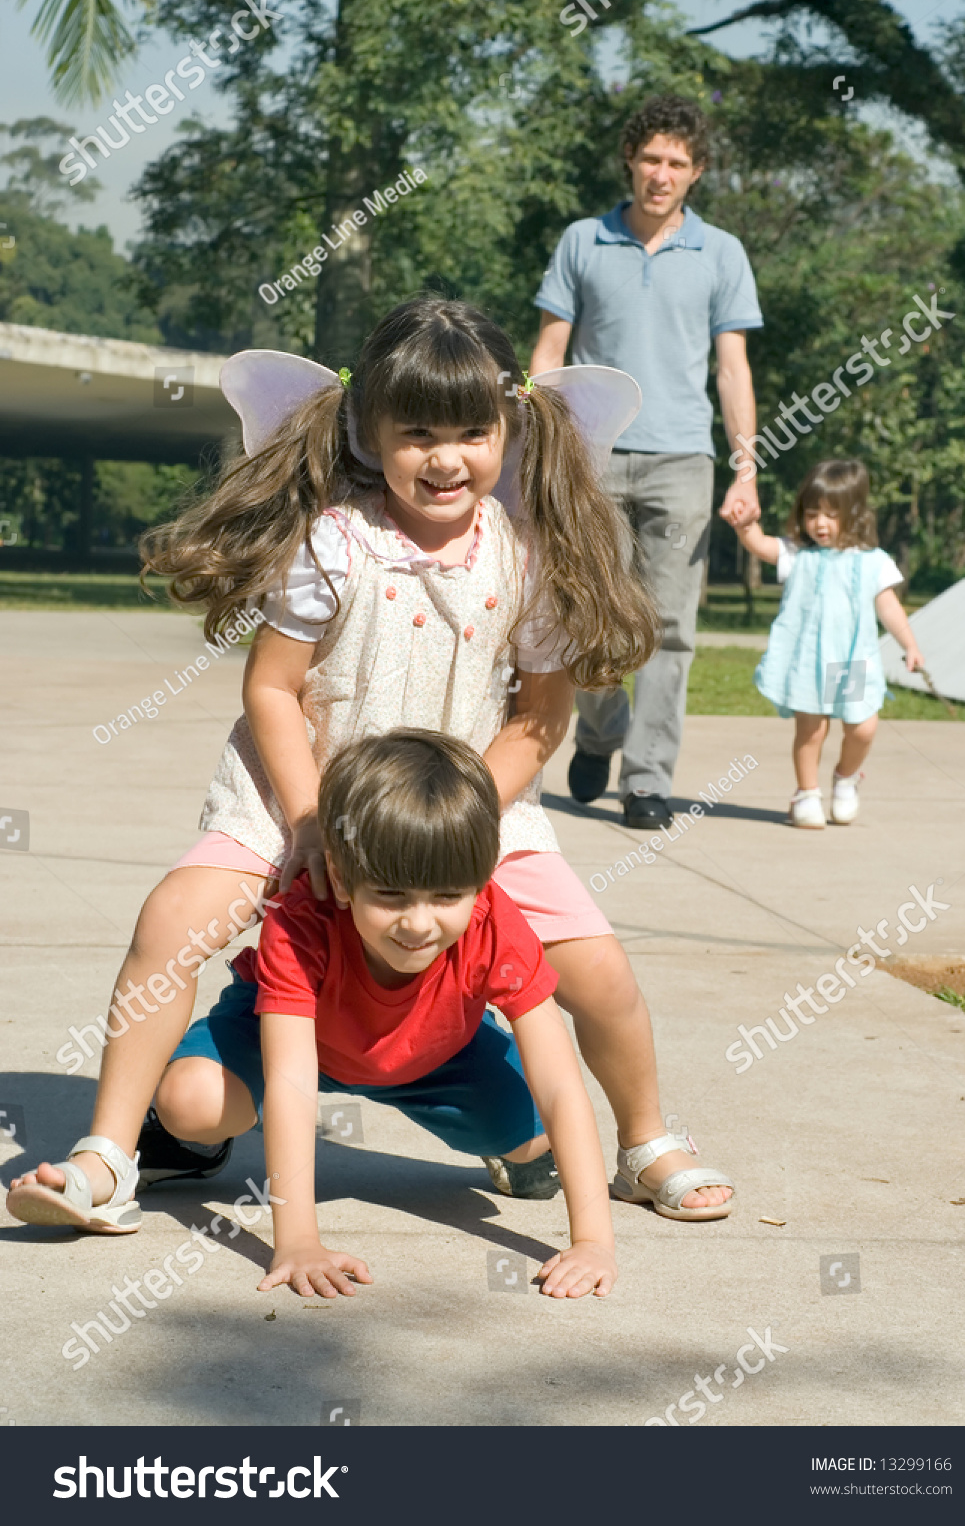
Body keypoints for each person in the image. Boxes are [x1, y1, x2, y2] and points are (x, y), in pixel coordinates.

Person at [8, 297, 733, 1235]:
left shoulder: (528, 556)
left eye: (472, 432)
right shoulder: (331, 540)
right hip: (297, 799)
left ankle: (642, 1143)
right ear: (367, 429)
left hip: (469, 809)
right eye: (417, 432)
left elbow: (538, 716)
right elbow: (272, 691)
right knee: (170, 920)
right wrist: (311, 818)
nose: (446, 457)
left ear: (508, 429)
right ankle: (108, 1156)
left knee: (599, 969)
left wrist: (466, 819)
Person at [160, 730, 617, 1300]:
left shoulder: (497, 923)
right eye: (392, 896)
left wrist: (593, 1240)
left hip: (437, 1052)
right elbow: (292, 1082)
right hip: (296, 1045)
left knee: (536, 1133)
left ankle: (513, 1152)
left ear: (481, 886)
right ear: (344, 881)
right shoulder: (302, 922)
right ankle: (188, 1145)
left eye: (447, 896)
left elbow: (560, 1083)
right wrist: (298, 1239)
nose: (418, 923)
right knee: (192, 1101)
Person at [530, 93, 765, 830]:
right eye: (650, 159)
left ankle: (647, 781)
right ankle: (600, 729)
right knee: (590, 612)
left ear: (696, 173)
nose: (660, 174)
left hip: (683, 460)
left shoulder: (721, 253)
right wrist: (535, 440)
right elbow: (549, 351)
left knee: (667, 627)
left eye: (676, 162)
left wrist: (746, 464)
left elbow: (733, 367)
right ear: (629, 162)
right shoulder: (581, 241)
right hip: (591, 454)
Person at [732, 458, 923, 828]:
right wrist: (745, 525)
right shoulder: (796, 554)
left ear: (854, 515)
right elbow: (760, 545)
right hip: (807, 661)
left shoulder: (872, 562)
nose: (820, 523)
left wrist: (909, 644)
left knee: (862, 728)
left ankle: (846, 777)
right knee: (811, 730)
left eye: (831, 515)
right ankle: (806, 793)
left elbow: (890, 608)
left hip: (849, 662)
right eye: (812, 513)